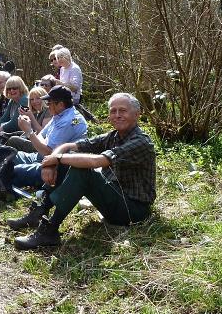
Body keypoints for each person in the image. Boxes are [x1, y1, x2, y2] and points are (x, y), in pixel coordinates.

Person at [13, 92, 156, 250]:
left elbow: (97, 161)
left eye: (122, 111)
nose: (117, 115)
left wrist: (57, 159)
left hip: (133, 210)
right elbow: (68, 146)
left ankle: (50, 230)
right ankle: (38, 211)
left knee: (82, 170)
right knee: (68, 159)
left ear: (136, 114)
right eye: (113, 111)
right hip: (114, 197)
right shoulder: (113, 136)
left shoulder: (141, 142)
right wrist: (52, 162)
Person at [0, 85, 87, 198]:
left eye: (50, 103)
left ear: (60, 104)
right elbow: (42, 136)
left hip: (56, 167)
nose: (47, 106)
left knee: (13, 170)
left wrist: (29, 131)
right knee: (4, 155)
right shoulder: (59, 115)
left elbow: (47, 151)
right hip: (41, 157)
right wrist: (31, 131)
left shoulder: (70, 121)